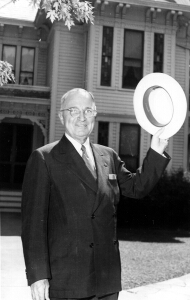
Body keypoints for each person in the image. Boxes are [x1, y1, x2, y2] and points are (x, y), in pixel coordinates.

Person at [21, 88, 170, 300]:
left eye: (88, 111)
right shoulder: (45, 158)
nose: (82, 117)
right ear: (61, 116)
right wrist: (37, 276)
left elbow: (137, 187)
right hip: (67, 282)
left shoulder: (108, 156)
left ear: (95, 115)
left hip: (106, 281)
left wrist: (155, 151)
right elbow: (33, 226)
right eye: (73, 110)